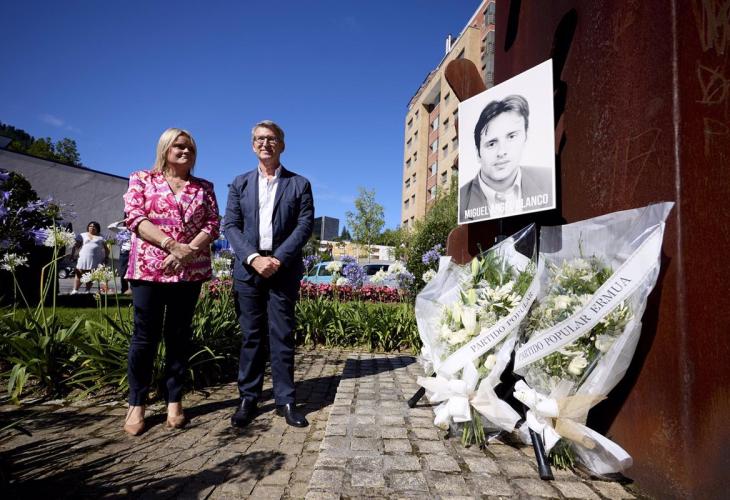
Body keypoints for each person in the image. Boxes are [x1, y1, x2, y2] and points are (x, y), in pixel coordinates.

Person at [122, 128, 220, 436]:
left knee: (178, 336)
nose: (185, 151)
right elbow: (135, 218)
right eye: (179, 146)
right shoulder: (142, 179)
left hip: (189, 270)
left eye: (190, 147)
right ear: (165, 149)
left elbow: (212, 224)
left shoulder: (204, 187)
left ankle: (174, 400)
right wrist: (171, 245)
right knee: (144, 337)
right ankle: (136, 403)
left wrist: (188, 251)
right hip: (149, 268)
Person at [224, 120, 314, 428]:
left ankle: (285, 400)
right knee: (251, 336)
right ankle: (248, 399)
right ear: (253, 146)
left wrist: (277, 259)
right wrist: (253, 258)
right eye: (260, 139)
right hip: (248, 269)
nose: (266, 143)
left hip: (282, 269)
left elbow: (304, 225)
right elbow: (231, 226)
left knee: (282, 334)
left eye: (272, 138)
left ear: (282, 145)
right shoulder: (239, 183)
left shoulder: (299, 184)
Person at [459, 94, 553, 224]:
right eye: (492, 144)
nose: (502, 152)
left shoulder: (548, 181)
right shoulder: (462, 201)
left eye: (511, 137)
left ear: (525, 137)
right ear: (478, 153)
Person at [71, 221, 109, 294]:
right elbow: (76, 246)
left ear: (97, 228)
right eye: (90, 226)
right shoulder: (82, 235)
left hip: (96, 259)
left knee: (91, 274)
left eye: (94, 226)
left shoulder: (102, 237)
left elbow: (107, 249)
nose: (92, 228)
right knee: (79, 273)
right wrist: (72, 255)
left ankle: (87, 290)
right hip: (83, 257)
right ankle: (75, 290)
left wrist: (106, 257)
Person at [107, 216, 132, 294]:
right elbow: (110, 227)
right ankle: (124, 289)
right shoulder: (123, 229)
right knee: (123, 271)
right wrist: (122, 221)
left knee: (133, 272)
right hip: (124, 252)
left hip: (135, 253)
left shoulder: (137, 229)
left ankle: (132, 289)